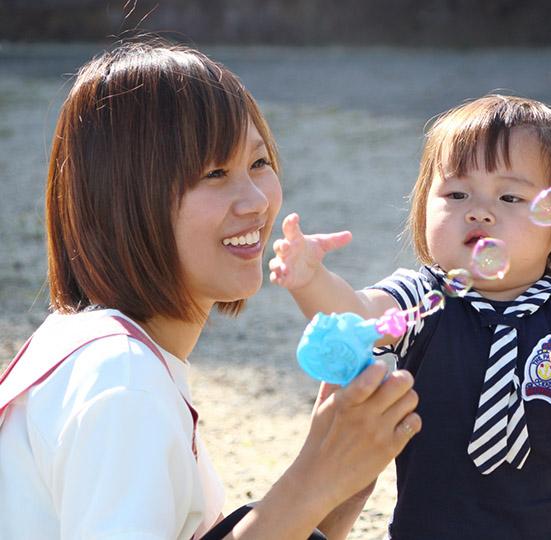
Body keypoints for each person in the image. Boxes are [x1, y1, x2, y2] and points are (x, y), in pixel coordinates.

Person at [0, 39, 422, 540]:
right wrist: (312, 480)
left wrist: (336, 487)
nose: (255, 202)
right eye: (215, 173)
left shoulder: (91, 346)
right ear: (126, 200)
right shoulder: (121, 383)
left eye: (258, 164)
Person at [269, 94, 551, 539]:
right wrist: (309, 277)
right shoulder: (421, 297)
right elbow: (355, 315)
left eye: (510, 196)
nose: (480, 210)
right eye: (456, 193)